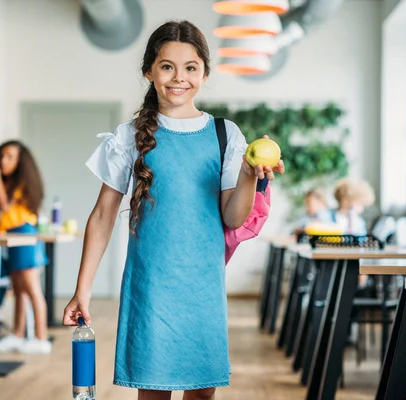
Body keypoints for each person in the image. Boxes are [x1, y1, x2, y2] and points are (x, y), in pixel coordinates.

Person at [62, 20, 285, 400]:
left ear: (204, 73)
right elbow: (101, 217)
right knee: (153, 393)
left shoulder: (224, 134)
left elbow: (232, 217)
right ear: (149, 71)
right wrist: (81, 290)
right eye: (167, 66)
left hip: (202, 287)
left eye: (190, 67)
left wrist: (249, 173)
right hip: (150, 288)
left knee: (202, 395)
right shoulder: (130, 136)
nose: (178, 78)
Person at [0, 140, 51, 354]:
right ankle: (18, 335)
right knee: (19, 289)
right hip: (13, 235)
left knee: (32, 288)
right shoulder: (10, 183)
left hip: (24, 235)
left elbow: (5, 206)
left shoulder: (20, 185)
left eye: (10, 157)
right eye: (2, 156)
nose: (3, 161)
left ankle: (41, 338)